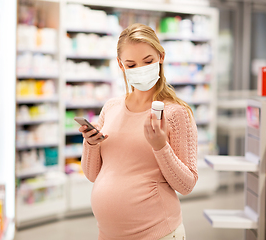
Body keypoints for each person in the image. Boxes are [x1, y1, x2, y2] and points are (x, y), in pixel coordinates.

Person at [79, 23, 198, 240]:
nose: (140, 69)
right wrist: (91, 144)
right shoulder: (111, 108)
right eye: (131, 64)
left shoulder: (175, 113)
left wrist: (161, 147)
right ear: (120, 65)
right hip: (107, 234)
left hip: (157, 234)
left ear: (161, 56)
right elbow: (92, 174)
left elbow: (187, 185)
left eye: (148, 61)